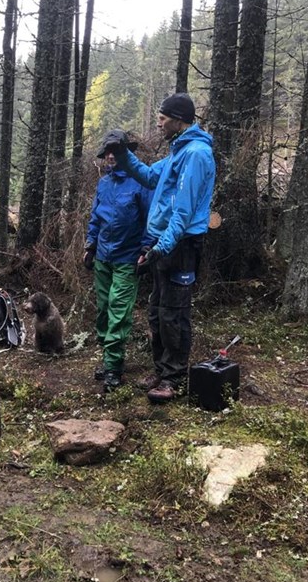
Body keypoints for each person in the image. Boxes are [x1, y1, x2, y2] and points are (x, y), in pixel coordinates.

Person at [110, 93, 216, 402]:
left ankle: (173, 378)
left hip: (180, 245)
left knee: (174, 314)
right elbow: (148, 176)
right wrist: (123, 154)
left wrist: (162, 246)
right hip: (163, 243)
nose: (159, 121)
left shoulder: (196, 154)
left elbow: (183, 211)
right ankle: (161, 369)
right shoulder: (177, 152)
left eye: (163, 117)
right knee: (157, 312)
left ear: (180, 119)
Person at [84, 131, 152, 392]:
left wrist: (146, 249)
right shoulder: (104, 184)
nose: (111, 157)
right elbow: (95, 218)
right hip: (103, 257)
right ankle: (107, 357)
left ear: (126, 153)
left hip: (127, 258)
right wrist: (90, 245)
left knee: (118, 310)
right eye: (107, 153)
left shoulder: (140, 183)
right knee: (103, 309)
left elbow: (149, 220)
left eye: (116, 152)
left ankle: (114, 366)